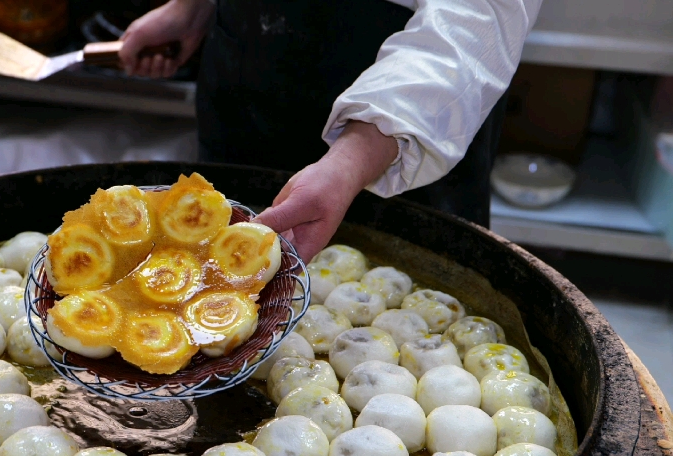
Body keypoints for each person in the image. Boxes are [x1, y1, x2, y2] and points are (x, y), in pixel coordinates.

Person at [119, 0, 541, 263]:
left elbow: (475, 18)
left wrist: (351, 162)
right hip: (246, 65)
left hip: (405, 111)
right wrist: (195, 6)